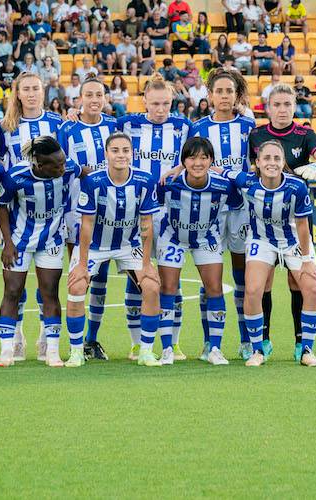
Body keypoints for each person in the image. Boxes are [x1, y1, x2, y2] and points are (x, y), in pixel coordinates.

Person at [248, 84, 316, 359]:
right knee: (264, 282)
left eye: (287, 104)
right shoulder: (257, 134)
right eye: (277, 104)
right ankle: (264, 340)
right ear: (268, 107)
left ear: (294, 106)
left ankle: (300, 342)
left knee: (300, 283)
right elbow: (250, 171)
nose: (282, 110)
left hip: (296, 223)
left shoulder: (304, 133)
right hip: (264, 222)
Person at [67, 132, 161, 367]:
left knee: (151, 286)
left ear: (132, 154)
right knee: (76, 286)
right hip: (96, 245)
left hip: (129, 245)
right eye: (115, 150)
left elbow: (147, 224)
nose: (121, 155)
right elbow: (86, 225)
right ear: (106, 154)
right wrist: (81, 264)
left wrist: (147, 263)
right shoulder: (93, 181)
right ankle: (76, 351)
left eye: (125, 150)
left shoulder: (145, 180)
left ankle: (146, 351)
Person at [116, 75, 192, 360]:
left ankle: (173, 341)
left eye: (166, 104)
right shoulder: (127, 124)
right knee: (137, 276)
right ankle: (137, 343)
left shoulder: (184, 127)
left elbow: (195, 157)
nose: (161, 109)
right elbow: (96, 126)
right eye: (156, 103)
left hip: (172, 211)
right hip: (137, 213)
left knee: (173, 277)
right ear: (144, 101)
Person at [230, 140, 316, 367]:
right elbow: (221, 171)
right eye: (267, 158)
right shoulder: (247, 181)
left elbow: (302, 226)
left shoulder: (297, 187)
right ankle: (257, 350)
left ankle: (307, 350)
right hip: (262, 241)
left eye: (277, 158)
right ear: (258, 163)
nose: (272, 163)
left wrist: (306, 260)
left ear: (283, 163)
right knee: (252, 290)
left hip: (293, 242)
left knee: (312, 287)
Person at [0, 136, 82, 367]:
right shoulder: (16, 177)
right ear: (40, 165)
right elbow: (1, 205)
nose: (63, 167)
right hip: (19, 242)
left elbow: (86, 172)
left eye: (63, 162)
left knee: (50, 292)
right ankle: (7, 350)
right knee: (12, 291)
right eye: (57, 165)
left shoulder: (68, 167)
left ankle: (51, 351)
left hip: (51, 241)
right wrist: (8, 243)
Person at [0, 72, 64, 360]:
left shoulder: (57, 124)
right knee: (15, 286)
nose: (32, 93)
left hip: (52, 213)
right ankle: (16, 338)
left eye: (37, 88)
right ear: (18, 94)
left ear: (43, 92)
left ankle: (46, 340)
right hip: (18, 210)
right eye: (27, 89)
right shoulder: (6, 127)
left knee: (49, 285)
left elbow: (65, 164)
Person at [156, 137, 241, 364]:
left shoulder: (224, 185)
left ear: (211, 160)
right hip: (173, 238)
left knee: (214, 288)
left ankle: (213, 349)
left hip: (206, 239)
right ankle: (167, 349)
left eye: (204, 158)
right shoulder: (169, 182)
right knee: (168, 288)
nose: (198, 163)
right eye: (192, 157)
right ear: (183, 160)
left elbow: (238, 203)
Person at [189, 68, 254, 360]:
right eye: (219, 91)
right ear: (210, 95)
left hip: (241, 211)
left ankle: (245, 341)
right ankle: (209, 342)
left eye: (230, 91)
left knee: (242, 279)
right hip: (209, 213)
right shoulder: (198, 127)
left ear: (237, 95)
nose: (224, 96)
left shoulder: (249, 126)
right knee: (210, 280)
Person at [58, 77, 118, 360]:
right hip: (75, 211)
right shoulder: (67, 128)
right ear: (79, 98)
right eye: (89, 94)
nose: (95, 99)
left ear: (105, 97)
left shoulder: (113, 126)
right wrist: (81, 168)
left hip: (109, 213)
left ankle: (92, 340)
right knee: (79, 274)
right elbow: (56, 162)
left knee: (101, 276)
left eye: (99, 95)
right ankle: (75, 342)